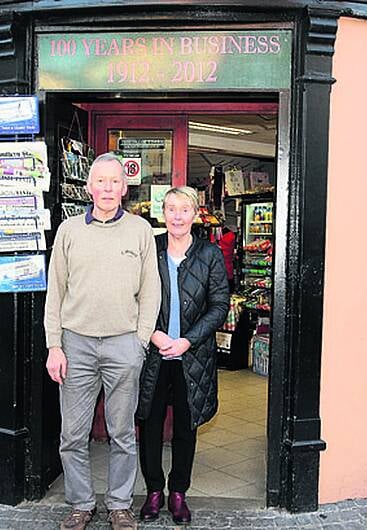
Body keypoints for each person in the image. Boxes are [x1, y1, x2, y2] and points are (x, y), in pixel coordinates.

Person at [45, 152, 161, 530]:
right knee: (72, 434)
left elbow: (151, 291)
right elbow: (55, 291)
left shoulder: (140, 230)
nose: (107, 188)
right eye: (100, 181)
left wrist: (140, 342)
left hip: (123, 345)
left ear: (124, 188)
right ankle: (81, 503)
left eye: (114, 182)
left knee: (122, 432)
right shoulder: (69, 230)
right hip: (75, 344)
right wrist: (54, 345)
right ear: (89, 187)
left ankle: (119, 505)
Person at [136, 186, 230, 524]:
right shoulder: (150, 248)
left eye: (184, 209)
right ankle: (153, 492)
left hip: (192, 356)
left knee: (185, 429)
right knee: (149, 423)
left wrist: (188, 340)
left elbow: (219, 305)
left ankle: (178, 494)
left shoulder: (210, 254)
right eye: (171, 208)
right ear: (163, 213)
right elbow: (132, 297)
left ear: (195, 214)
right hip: (154, 355)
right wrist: (153, 334)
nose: (177, 216)